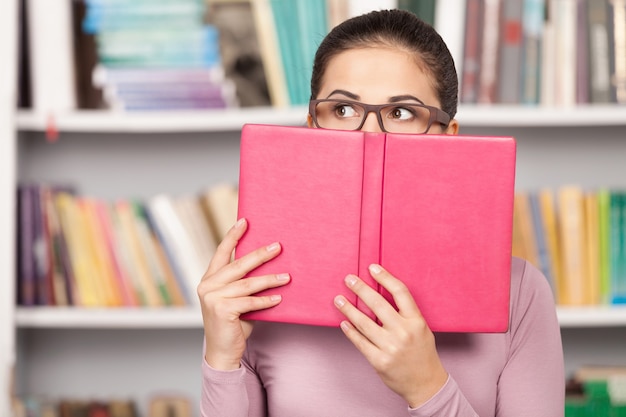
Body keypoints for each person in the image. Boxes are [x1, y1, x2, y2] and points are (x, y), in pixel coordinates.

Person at [198, 9, 564, 417]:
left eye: (401, 112)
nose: (369, 134)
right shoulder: (255, 289)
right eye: (342, 110)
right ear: (311, 126)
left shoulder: (522, 294)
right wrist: (221, 359)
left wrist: (427, 385)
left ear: (448, 136)